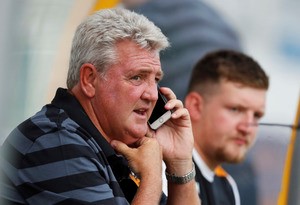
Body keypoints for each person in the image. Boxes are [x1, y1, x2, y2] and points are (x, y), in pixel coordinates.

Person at [0, 8, 200, 205]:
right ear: (90, 80)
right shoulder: (56, 141)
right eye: (137, 77)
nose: (153, 95)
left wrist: (180, 164)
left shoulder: (110, 146)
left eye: (155, 79)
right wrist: (152, 179)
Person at [184, 50, 269, 205]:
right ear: (196, 106)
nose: (248, 128)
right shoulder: (161, 171)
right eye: (235, 109)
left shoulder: (227, 187)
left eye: (257, 115)